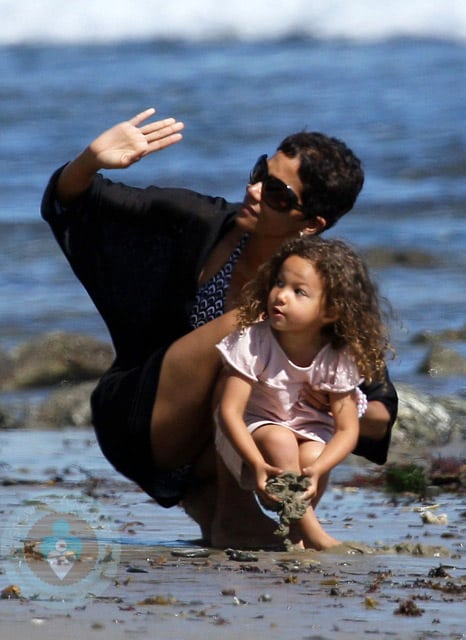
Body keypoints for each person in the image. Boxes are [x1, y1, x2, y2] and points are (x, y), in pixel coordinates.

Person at [41, 108, 398, 548]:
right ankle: (236, 514)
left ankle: (234, 516)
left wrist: (322, 400)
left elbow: (380, 413)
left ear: (311, 224)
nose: (253, 191)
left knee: (291, 406)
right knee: (253, 328)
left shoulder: (322, 289)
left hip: (211, 454)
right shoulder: (198, 221)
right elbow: (73, 202)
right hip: (141, 417)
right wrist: (90, 160)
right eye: (258, 173)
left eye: (276, 192)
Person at [215, 235, 393, 550]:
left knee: (314, 452)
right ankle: (316, 535)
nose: (280, 296)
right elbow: (229, 412)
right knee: (280, 438)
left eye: (299, 292)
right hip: (250, 434)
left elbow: (347, 429)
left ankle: (297, 535)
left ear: (331, 311)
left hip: (307, 435)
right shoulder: (253, 341)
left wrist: (317, 469)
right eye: (279, 283)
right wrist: (255, 462)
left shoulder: (338, 356)